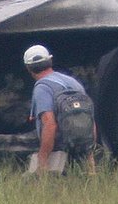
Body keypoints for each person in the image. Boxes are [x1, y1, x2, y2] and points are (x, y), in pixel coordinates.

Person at [24, 44, 96, 174]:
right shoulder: (74, 83)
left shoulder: (42, 88)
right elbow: (89, 119)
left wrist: (43, 158)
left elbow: (50, 124)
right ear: (50, 61)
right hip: (81, 149)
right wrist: (89, 156)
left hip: (59, 153)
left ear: (28, 68)